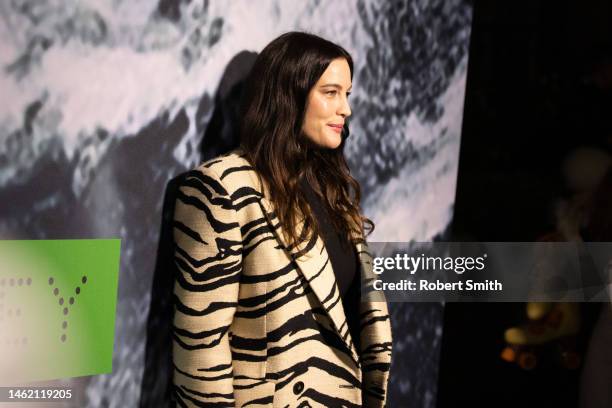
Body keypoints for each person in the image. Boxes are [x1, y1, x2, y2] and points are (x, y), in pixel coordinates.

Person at [171, 31, 393, 407]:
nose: (346, 109)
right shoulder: (223, 187)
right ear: (290, 94)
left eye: (347, 94)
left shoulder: (334, 190)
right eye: (331, 92)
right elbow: (201, 347)